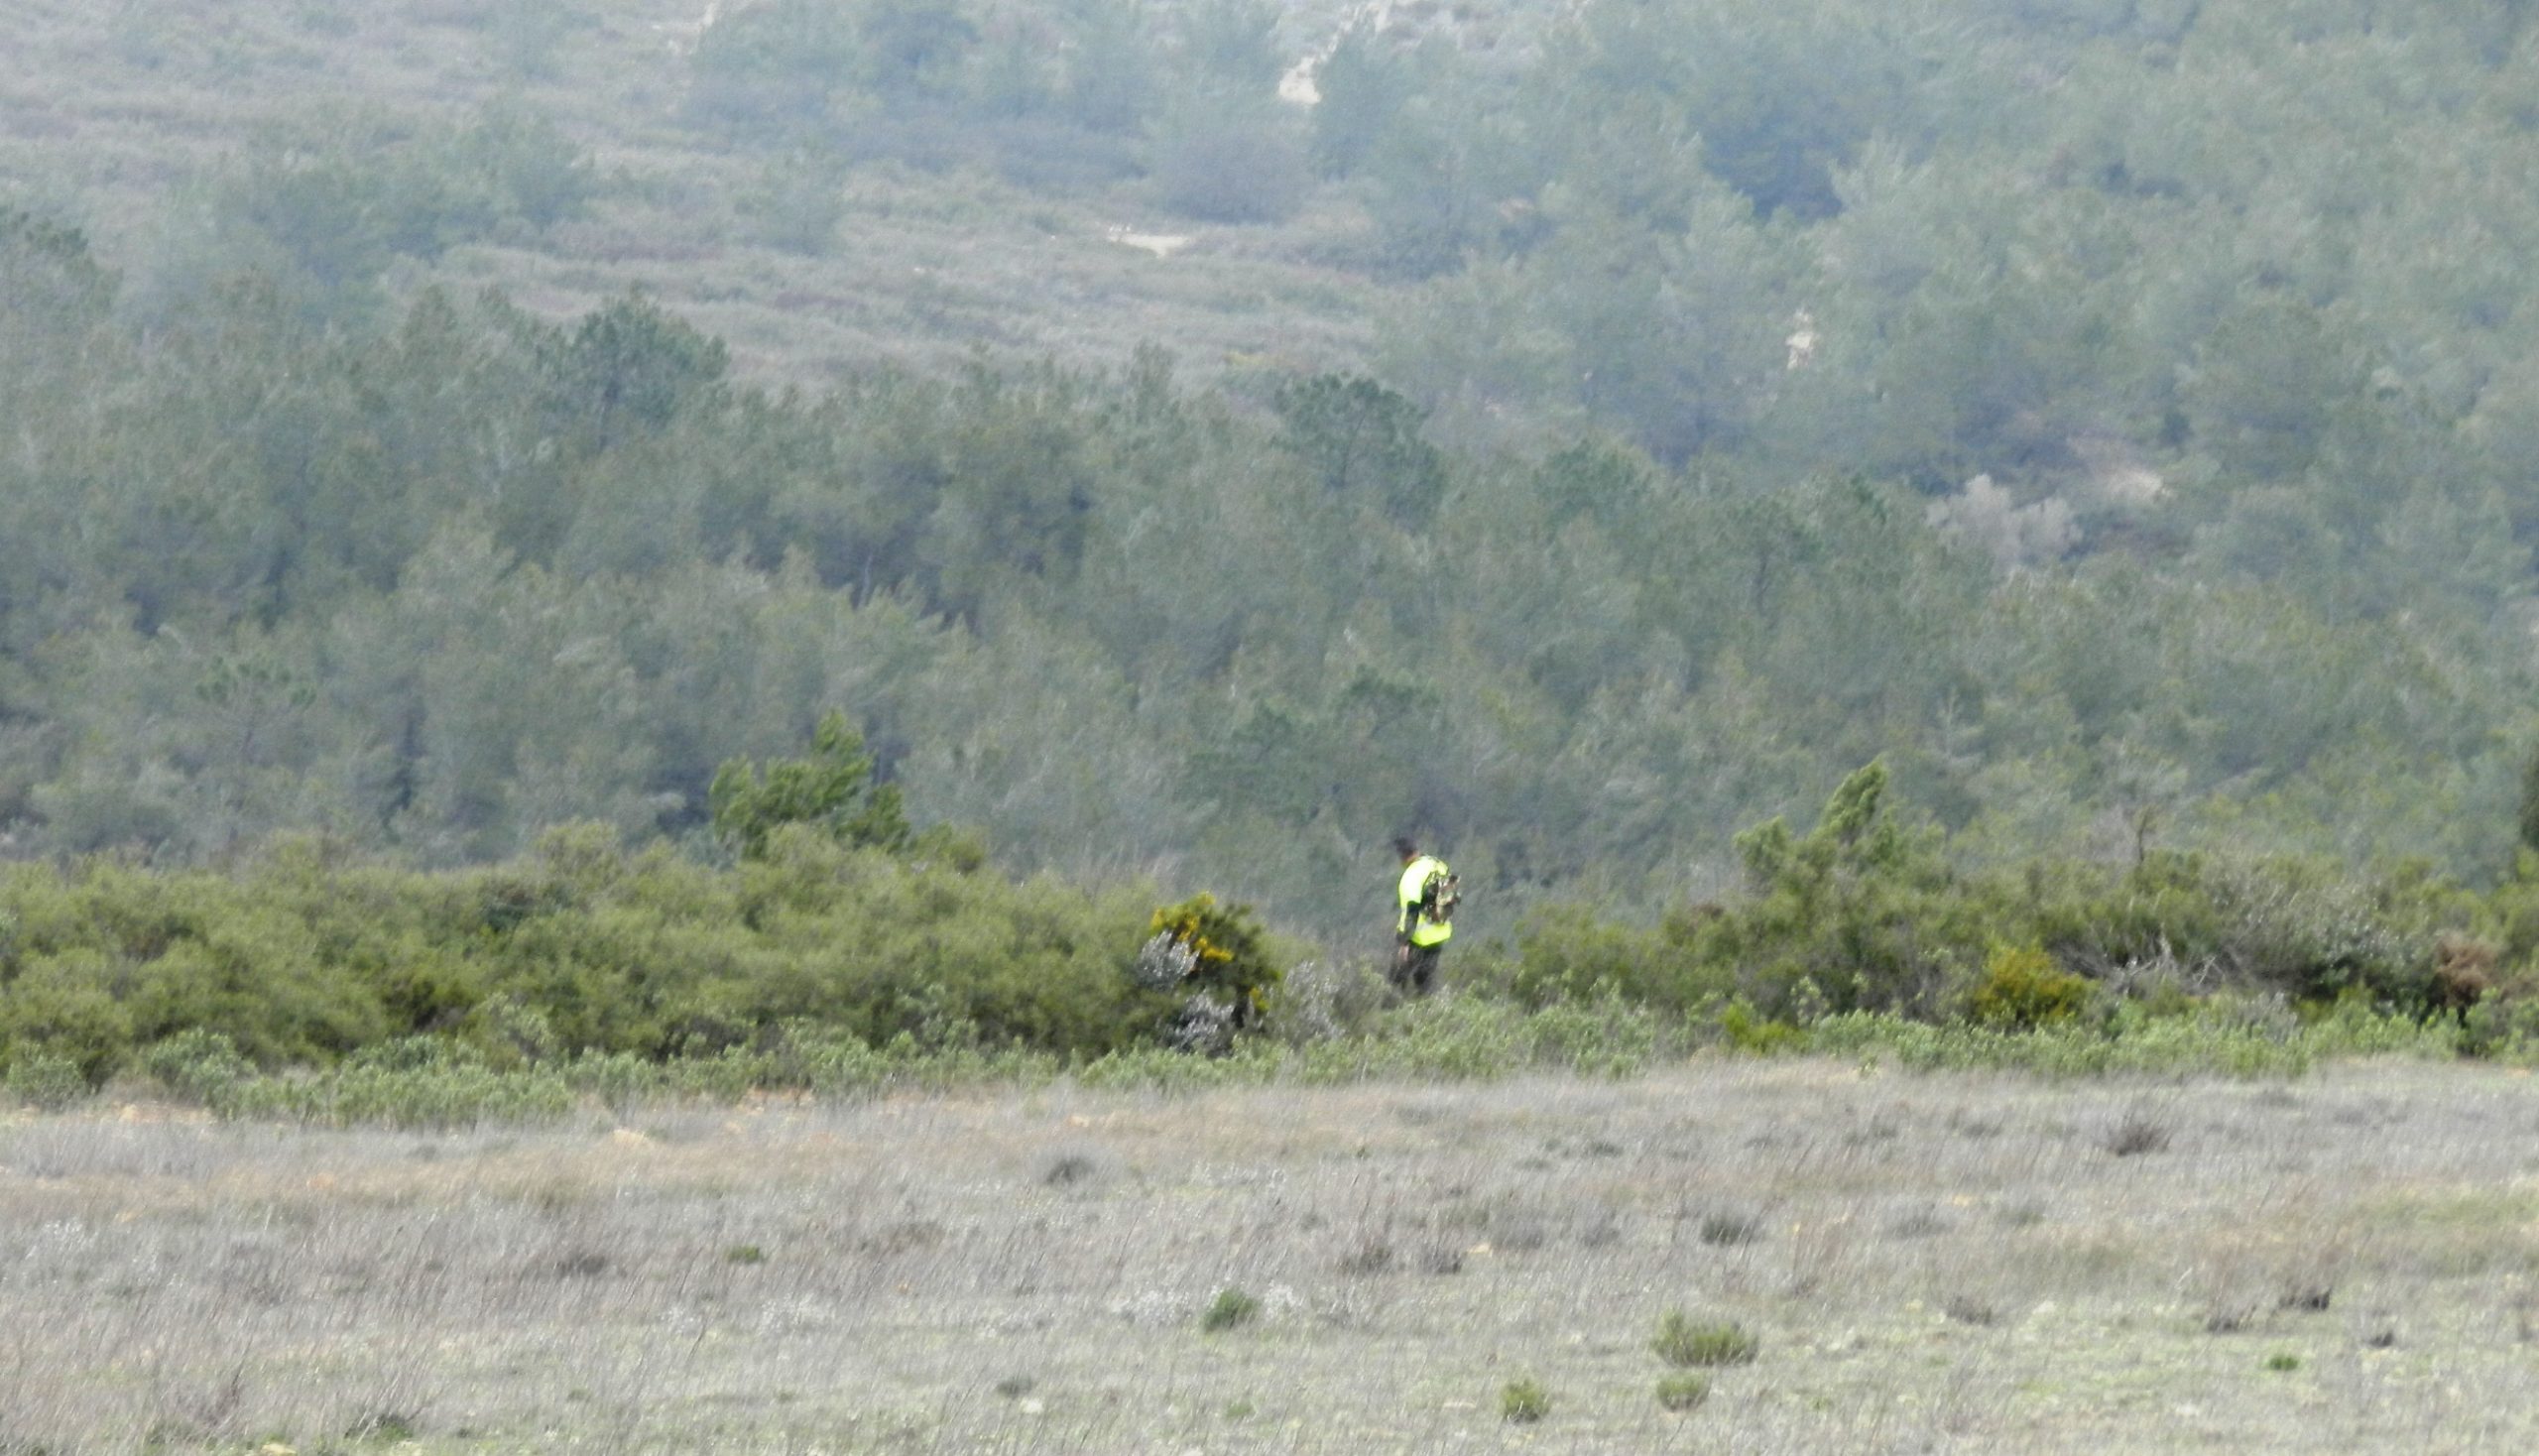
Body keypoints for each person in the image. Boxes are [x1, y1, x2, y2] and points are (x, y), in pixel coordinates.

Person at [1390, 835, 1453, 996]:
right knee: (1425, 982)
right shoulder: (1437, 865)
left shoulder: (1411, 877)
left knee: (1396, 981)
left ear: (1403, 856)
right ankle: (1430, 1008)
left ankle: (1393, 1008)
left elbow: (1411, 910)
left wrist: (1404, 943)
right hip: (1440, 933)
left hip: (1418, 938)